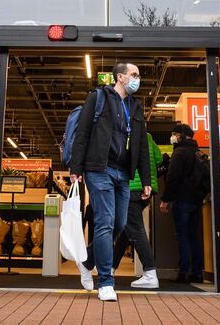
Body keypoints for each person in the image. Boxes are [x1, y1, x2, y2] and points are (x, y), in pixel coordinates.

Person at [70, 62, 151, 302]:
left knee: (119, 223)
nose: (138, 79)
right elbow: (83, 133)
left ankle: (86, 262)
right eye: (134, 74)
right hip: (99, 169)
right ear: (120, 77)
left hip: (123, 174)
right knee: (105, 222)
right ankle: (105, 281)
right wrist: (76, 168)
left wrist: (145, 178)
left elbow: (142, 145)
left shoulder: (135, 106)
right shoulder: (98, 97)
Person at [112, 132, 164, 289]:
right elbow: (159, 158)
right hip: (147, 189)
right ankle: (110, 268)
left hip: (132, 187)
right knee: (125, 231)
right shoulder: (148, 136)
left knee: (135, 229)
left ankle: (150, 274)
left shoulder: (126, 135)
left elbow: (122, 159)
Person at [159, 124, 206, 284]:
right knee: (194, 236)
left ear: (182, 136)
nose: (172, 137)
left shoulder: (179, 153)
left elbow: (173, 177)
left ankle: (184, 272)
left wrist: (165, 199)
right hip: (196, 200)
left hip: (183, 199)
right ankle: (198, 273)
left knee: (182, 236)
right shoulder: (198, 153)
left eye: (174, 134)